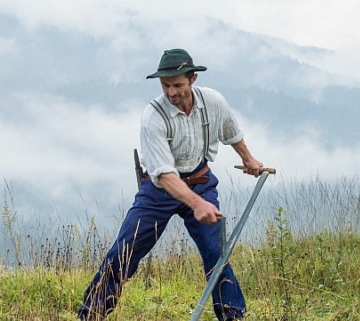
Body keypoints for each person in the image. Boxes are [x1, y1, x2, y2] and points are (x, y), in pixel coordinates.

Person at [77, 48, 264, 321]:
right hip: (158, 192)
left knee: (217, 254)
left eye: (177, 85)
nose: (171, 92)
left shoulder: (213, 102)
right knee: (123, 252)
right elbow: (164, 175)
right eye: (165, 86)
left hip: (201, 182)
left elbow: (231, 132)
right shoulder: (153, 116)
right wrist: (197, 203)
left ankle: (233, 316)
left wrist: (249, 159)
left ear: (193, 79)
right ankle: (91, 314)